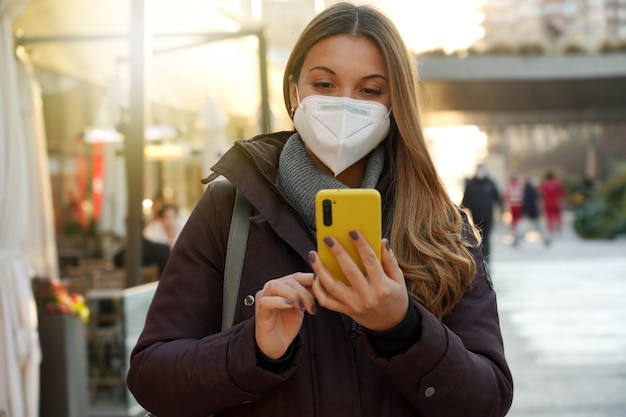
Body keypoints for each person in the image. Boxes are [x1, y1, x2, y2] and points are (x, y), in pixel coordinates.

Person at [127, 3, 513, 417]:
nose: (344, 105)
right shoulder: (229, 210)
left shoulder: (440, 226)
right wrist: (254, 348)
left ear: (395, 102)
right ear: (294, 90)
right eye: (325, 84)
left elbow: (487, 400)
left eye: (369, 90)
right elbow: (151, 377)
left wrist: (402, 328)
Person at [461, 163, 502, 261]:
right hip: (476, 217)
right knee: (478, 239)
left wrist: (502, 209)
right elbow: (465, 200)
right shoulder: (471, 184)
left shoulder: (490, 183)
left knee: (486, 239)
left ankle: (487, 261)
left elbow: (497, 197)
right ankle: (480, 261)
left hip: (488, 216)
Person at [540, 170, 567, 242]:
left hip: (548, 203)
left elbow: (542, 194)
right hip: (556, 202)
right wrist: (563, 201)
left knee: (549, 217)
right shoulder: (557, 183)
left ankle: (550, 231)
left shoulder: (544, 184)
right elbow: (562, 192)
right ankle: (559, 225)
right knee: (557, 215)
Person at [504, 172, 524, 246]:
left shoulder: (512, 185)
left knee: (515, 221)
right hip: (516, 205)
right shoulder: (518, 185)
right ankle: (516, 233)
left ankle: (515, 233)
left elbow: (507, 196)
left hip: (515, 205)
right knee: (516, 221)